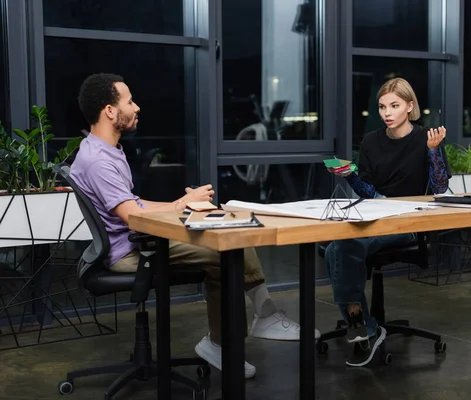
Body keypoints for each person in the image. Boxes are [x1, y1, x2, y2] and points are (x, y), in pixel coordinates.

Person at [71, 73, 319, 379]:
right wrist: (179, 206)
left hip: (133, 241)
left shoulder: (106, 150)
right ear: (110, 111)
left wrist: (181, 203)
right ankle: (249, 324)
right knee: (225, 247)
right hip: (130, 252)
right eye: (129, 101)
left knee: (228, 238)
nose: (137, 107)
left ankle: (234, 334)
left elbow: (132, 202)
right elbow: (131, 216)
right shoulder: (98, 161)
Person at [325, 77, 450, 367]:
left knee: (339, 248)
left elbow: (440, 188)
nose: (387, 113)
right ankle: (362, 323)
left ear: (409, 106)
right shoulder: (371, 141)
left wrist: (434, 152)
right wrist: (350, 175)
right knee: (336, 246)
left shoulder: (426, 138)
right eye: (382, 107)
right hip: (375, 217)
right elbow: (368, 190)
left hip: (407, 223)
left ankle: (361, 325)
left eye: (394, 105)